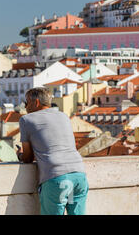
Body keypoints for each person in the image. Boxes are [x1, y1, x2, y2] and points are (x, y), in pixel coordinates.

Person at [17, 87, 88, 215]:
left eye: (26, 102)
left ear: (36, 102)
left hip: (57, 178)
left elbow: (28, 158)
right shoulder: (63, 116)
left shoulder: (26, 120)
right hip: (78, 175)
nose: (25, 107)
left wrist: (20, 155)